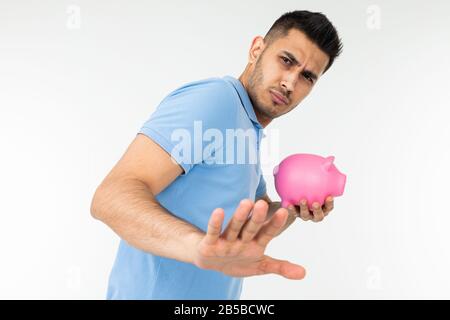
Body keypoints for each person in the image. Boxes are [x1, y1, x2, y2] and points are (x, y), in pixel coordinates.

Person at [90, 10, 343, 300]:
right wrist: (197, 246)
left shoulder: (246, 126)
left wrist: (293, 207)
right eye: (286, 61)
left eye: (307, 77)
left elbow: (250, 224)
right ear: (256, 49)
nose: (290, 82)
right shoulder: (216, 100)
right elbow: (110, 197)